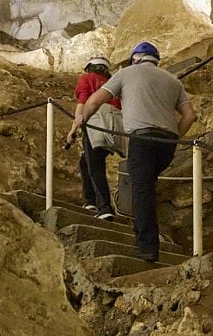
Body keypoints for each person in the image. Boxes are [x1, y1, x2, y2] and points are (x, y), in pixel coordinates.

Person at [79, 41, 196, 263]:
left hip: (142, 139)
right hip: (166, 143)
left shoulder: (127, 73)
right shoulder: (173, 80)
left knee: (141, 192)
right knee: (147, 187)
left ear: (135, 58)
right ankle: (147, 236)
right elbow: (190, 115)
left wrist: (82, 121)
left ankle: (147, 248)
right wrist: (174, 138)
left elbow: (94, 101)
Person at [65, 55, 122, 220]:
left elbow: (83, 103)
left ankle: (104, 207)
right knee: (86, 162)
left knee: (94, 166)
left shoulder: (87, 78)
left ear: (89, 67)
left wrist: (73, 130)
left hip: (95, 123)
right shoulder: (113, 84)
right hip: (115, 128)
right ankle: (89, 200)